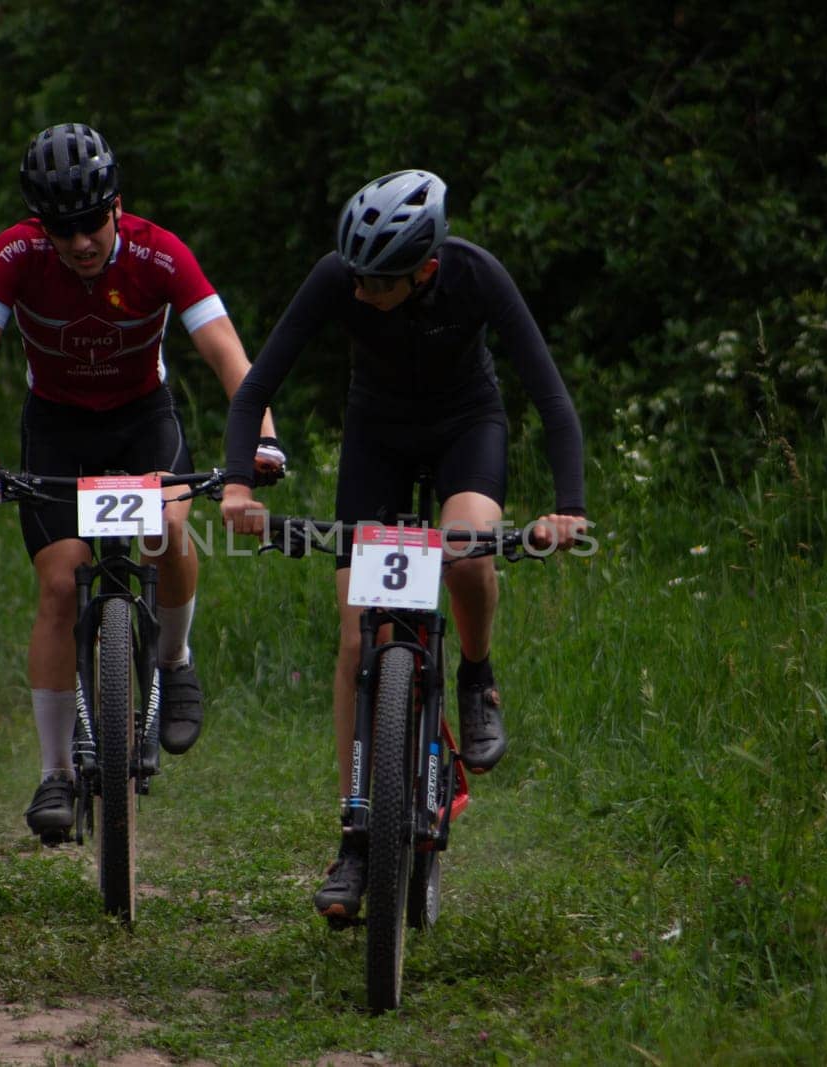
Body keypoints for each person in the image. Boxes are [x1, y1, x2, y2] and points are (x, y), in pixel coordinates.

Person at [219, 170, 588, 920]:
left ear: (424, 269)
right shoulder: (341, 277)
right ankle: (356, 835)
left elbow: (550, 396)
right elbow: (257, 386)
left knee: (469, 548)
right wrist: (236, 486)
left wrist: (568, 508)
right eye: (353, 278)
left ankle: (477, 677)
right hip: (377, 436)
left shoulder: (478, 276)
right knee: (360, 634)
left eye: (378, 283)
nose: (359, 294)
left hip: (465, 428)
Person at [0, 122, 283, 841]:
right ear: (43, 223)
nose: (81, 242)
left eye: (92, 222)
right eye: (63, 228)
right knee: (62, 583)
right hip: (58, 430)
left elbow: (228, 354)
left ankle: (176, 659)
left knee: (168, 522)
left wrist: (264, 443)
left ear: (117, 205)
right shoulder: (17, 253)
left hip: (140, 421)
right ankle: (56, 772)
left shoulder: (161, 253)